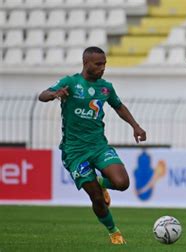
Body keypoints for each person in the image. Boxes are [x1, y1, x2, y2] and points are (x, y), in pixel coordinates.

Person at [38, 46, 147, 245]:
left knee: (122, 183)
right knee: (96, 198)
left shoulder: (105, 87)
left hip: (98, 146)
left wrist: (136, 126)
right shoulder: (70, 82)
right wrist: (54, 94)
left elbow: (119, 107)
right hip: (74, 151)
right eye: (98, 64)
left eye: (104, 64)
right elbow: (42, 95)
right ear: (86, 63)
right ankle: (114, 232)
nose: (103, 68)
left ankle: (102, 182)